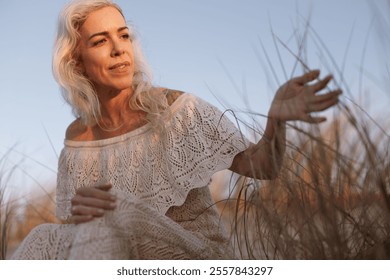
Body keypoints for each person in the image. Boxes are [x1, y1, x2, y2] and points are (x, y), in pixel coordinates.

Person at [11, 0, 341, 259]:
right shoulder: (76, 141)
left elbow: (264, 166)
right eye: (100, 41)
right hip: (116, 254)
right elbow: (75, 235)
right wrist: (84, 212)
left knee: (110, 214)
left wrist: (275, 121)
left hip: (197, 256)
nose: (119, 48)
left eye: (123, 35)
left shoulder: (180, 110)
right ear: (76, 62)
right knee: (43, 237)